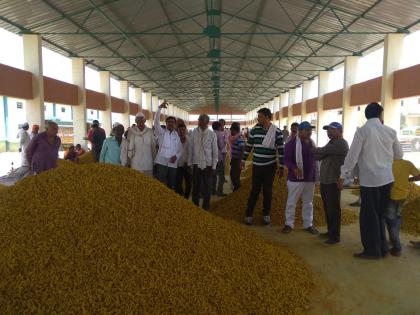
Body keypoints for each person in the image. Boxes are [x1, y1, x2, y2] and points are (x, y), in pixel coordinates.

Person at [339, 102, 403, 259]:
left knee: (369, 217)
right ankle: (383, 248)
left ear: (367, 115)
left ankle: (372, 251)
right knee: (380, 215)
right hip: (387, 180)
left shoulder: (362, 132)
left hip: (370, 181)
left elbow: (352, 157)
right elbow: (399, 155)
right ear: (381, 115)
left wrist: (343, 176)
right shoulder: (390, 131)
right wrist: (385, 161)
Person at [242, 108, 284, 226]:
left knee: (267, 191)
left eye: (260, 116)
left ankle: (266, 214)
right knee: (254, 190)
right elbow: (249, 146)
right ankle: (249, 214)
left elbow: (281, 150)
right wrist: (243, 160)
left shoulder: (277, 132)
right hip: (256, 166)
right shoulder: (255, 130)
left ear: (267, 117)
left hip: (270, 167)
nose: (258, 119)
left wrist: (281, 166)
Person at [313, 122, 349, 244]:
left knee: (333, 209)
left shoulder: (341, 144)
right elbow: (318, 156)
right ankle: (330, 232)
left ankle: (335, 236)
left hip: (333, 181)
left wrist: (315, 149)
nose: (329, 132)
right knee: (328, 208)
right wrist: (318, 151)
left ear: (340, 130)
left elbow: (321, 151)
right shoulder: (331, 142)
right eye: (328, 130)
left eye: (332, 130)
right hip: (325, 180)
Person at [283, 121, 319, 234]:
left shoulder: (312, 143)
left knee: (308, 202)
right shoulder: (291, 144)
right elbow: (286, 159)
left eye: (310, 130)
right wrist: (294, 168)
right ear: (300, 131)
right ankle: (289, 224)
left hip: (309, 178)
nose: (310, 132)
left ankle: (308, 224)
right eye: (307, 130)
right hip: (296, 178)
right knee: (292, 202)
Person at [385, 158, 420, 256]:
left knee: (390, 221)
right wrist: (408, 179)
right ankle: (393, 240)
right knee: (397, 218)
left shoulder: (387, 163)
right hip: (403, 196)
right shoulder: (407, 163)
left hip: (391, 196)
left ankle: (397, 247)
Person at [188, 114, 218, 210]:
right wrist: (189, 164)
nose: (200, 122)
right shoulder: (193, 133)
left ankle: (206, 207)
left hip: (208, 165)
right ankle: (195, 206)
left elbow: (215, 152)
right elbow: (190, 149)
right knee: (195, 186)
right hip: (196, 164)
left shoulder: (212, 134)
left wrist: (214, 167)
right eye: (199, 120)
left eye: (202, 120)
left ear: (207, 122)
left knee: (207, 187)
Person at [154, 102, 182, 189]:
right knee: (161, 184)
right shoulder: (162, 132)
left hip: (172, 164)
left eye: (173, 122)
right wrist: (159, 109)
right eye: (169, 122)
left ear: (175, 124)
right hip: (161, 162)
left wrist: (176, 156)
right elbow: (156, 123)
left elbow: (181, 149)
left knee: (171, 184)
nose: (171, 123)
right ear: (166, 123)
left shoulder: (176, 135)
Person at [125, 112, 157, 176]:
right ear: (135, 121)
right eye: (138, 120)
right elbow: (128, 146)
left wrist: (154, 160)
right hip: (135, 162)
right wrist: (128, 161)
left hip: (148, 162)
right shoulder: (131, 131)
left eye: (141, 120)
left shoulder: (150, 131)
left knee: (148, 182)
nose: (140, 122)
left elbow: (153, 147)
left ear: (144, 120)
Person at [175, 123, 191, 199]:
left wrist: (188, 162)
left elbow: (191, 153)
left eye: (183, 130)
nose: (182, 131)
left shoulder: (189, 140)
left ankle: (186, 198)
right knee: (178, 183)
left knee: (189, 183)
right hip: (178, 165)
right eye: (180, 130)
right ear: (177, 131)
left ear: (186, 130)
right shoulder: (174, 140)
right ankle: (180, 197)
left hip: (187, 165)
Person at [212, 121, 227, 196]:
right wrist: (224, 142)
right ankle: (219, 191)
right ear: (219, 127)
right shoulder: (219, 134)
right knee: (221, 175)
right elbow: (221, 146)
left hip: (211, 157)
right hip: (218, 157)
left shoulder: (210, 133)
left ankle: (213, 190)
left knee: (213, 175)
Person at [229, 122, 245, 191]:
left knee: (234, 175)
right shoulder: (235, 138)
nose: (230, 132)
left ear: (235, 130)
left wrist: (240, 161)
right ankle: (237, 188)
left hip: (237, 160)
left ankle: (238, 188)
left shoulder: (239, 138)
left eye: (231, 130)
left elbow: (242, 149)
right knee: (233, 175)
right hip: (234, 159)